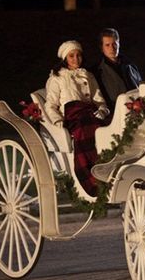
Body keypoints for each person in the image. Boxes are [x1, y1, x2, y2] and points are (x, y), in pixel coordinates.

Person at [45, 40, 110, 196]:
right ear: (65, 58)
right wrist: (57, 120)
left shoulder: (88, 75)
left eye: (78, 55)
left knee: (107, 127)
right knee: (85, 128)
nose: (76, 59)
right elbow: (50, 105)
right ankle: (90, 175)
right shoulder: (57, 78)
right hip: (73, 115)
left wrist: (102, 110)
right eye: (71, 56)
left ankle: (107, 166)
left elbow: (99, 99)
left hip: (90, 112)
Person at [93, 28, 142, 110]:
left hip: (138, 112)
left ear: (119, 44)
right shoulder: (97, 72)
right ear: (102, 48)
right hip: (115, 115)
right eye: (107, 45)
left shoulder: (131, 66)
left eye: (114, 44)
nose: (112, 48)